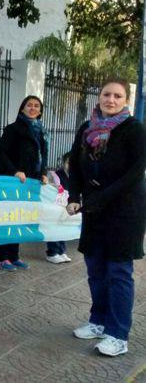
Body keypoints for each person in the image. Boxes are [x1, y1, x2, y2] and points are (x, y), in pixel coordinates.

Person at [67, 77, 145, 357]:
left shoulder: (133, 129)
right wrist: (74, 196)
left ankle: (118, 334)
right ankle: (98, 321)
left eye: (117, 96)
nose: (110, 100)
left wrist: (101, 196)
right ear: (98, 97)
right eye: (106, 95)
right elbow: (74, 165)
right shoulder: (87, 128)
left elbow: (136, 172)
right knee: (96, 270)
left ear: (125, 101)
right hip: (94, 210)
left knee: (118, 272)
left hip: (125, 211)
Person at [0, 95, 49, 271]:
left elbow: (42, 157)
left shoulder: (40, 131)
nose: (32, 108)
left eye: (36, 106)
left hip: (28, 183)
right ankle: (0, 257)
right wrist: (15, 171)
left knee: (19, 218)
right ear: (22, 108)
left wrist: (43, 174)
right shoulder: (13, 129)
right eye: (29, 105)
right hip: (10, 181)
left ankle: (14, 255)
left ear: (40, 111)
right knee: (5, 218)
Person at [45, 152, 72, 264]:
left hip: (66, 208)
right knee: (54, 229)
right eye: (68, 162)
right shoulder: (56, 175)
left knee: (63, 229)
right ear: (63, 163)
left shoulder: (75, 176)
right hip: (55, 207)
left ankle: (61, 251)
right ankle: (52, 253)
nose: (70, 165)